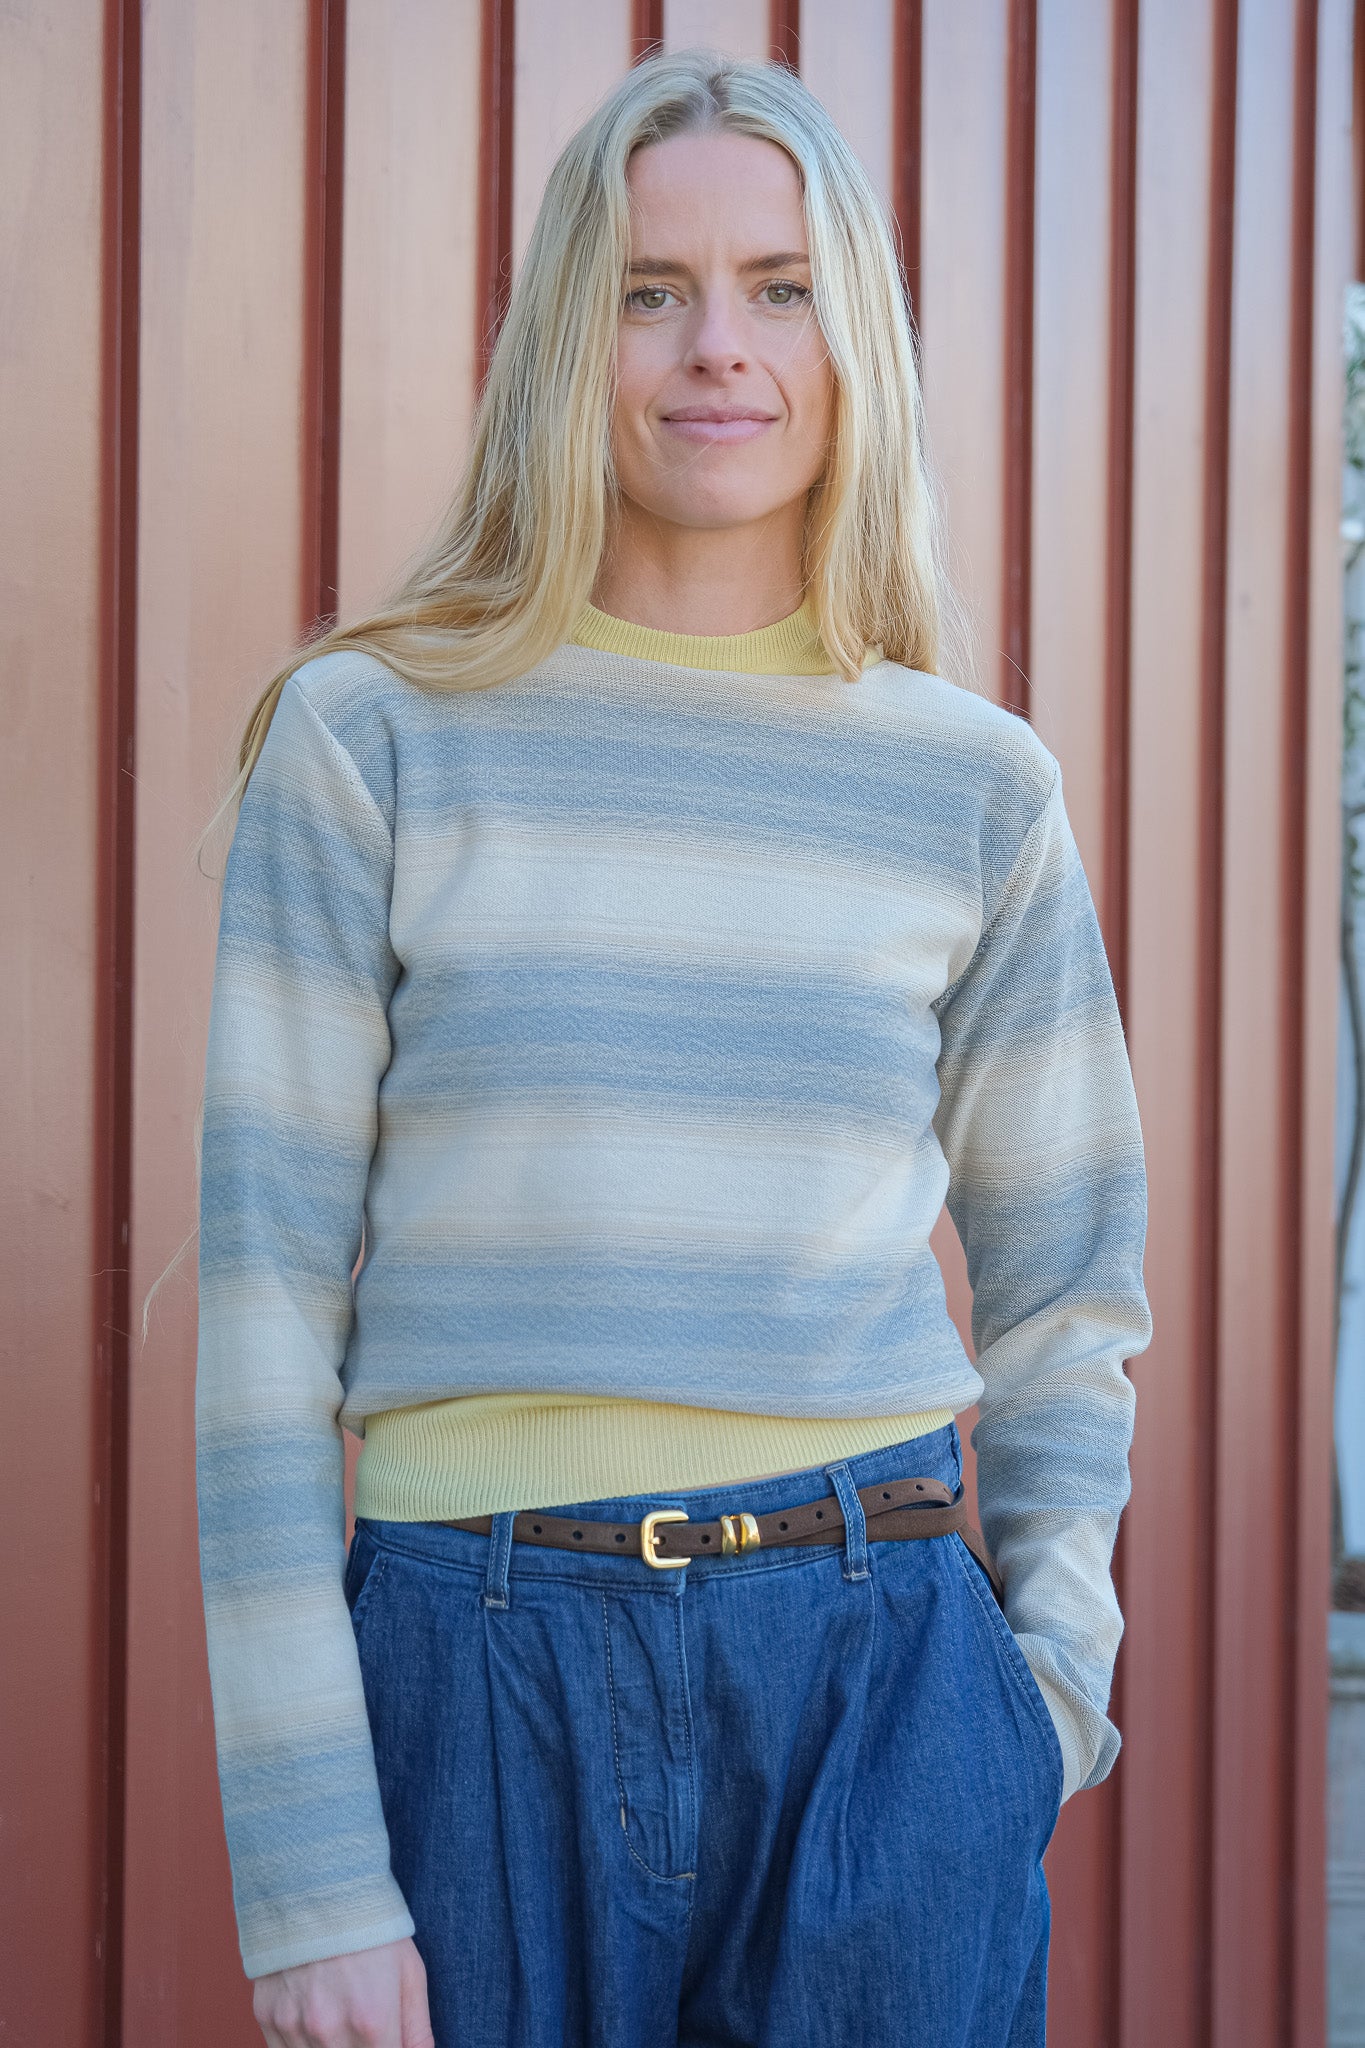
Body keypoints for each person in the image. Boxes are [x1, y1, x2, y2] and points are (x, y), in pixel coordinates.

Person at [191, 48, 1152, 2048]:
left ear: (849, 335)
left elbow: (1069, 1281)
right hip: (473, 1669)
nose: (716, 347)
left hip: (880, 1671)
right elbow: (269, 1307)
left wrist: (1035, 1694)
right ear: (569, 332)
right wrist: (305, 1871)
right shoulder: (369, 742)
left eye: (777, 286)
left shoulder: (971, 788)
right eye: (650, 289)